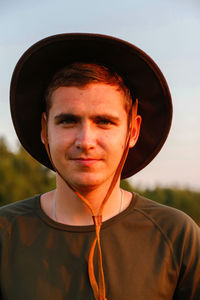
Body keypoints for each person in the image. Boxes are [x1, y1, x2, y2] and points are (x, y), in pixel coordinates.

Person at [0, 33, 199, 300]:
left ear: (133, 130)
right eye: (68, 121)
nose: (85, 141)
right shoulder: (5, 232)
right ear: (44, 130)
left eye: (104, 121)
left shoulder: (177, 236)